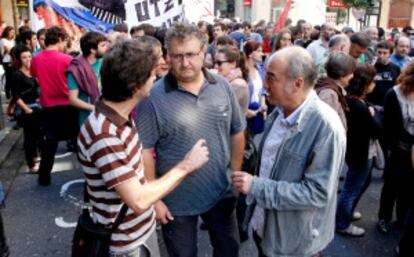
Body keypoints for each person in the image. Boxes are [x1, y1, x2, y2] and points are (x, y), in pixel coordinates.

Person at [77, 39, 209, 257]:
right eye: (151, 74)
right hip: (125, 244)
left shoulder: (118, 114)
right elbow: (138, 200)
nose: (155, 78)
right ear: (136, 86)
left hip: (137, 233)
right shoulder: (105, 133)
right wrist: (186, 166)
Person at [135, 23, 245, 257]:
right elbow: (144, 150)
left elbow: (237, 130)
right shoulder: (152, 97)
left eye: (191, 55)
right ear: (167, 57)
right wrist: (155, 200)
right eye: (177, 56)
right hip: (176, 201)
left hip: (221, 192)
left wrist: (234, 174)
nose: (185, 63)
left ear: (204, 52)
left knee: (229, 250)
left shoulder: (222, 85)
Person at [232, 46, 346, 257]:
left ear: (298, 84)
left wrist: (256, 186)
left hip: (293, 244)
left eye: (272, 78)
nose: (265, 85)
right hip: (265, 230)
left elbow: (317, 193)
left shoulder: (326, 127)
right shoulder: (279, 112)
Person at [335, 64, 382, 237]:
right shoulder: (360, 107)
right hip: (361, 153)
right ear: (364, 84)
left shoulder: (353, 100)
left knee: (356, 184)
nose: (374, 85)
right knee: (351, 188)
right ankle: (342, 222)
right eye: (372, 82)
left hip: (355, 151)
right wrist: (373, 115)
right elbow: (376, 130)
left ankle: (345, 213)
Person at [31, 26, 79, 186]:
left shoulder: (36, 59)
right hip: (69, 104)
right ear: (60, 38)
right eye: (65, 40)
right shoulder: (67, 59)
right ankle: (91, 174)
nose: (65, 44)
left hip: (48, 105)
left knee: (49, 143)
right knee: (79, 139)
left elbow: (35, 76)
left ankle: (44, 176)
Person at [377, 62, 414, 234]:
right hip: (398, 148)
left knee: (408, 187)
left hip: (413, 151)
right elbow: (390, 128)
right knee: (391, 186)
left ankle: (401, 218)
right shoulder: (394, 94)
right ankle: (384, 218)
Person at [10, 45, 41, 173]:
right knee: (29, 137)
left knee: (38, 134)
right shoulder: (17, 75)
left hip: (38, 106)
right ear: (19, 59)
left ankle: (35, 155)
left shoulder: (34, 72)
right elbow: (16, 96)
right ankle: (31, 165)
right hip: (26, 109)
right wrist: (27, 110)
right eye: (24, 57)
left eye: (29, 56)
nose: (28, 59)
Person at [67, 31, 108, 125]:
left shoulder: (105, 62)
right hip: (87, 118)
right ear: (92, 50)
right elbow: (72, 100)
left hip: (106, 114)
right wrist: (94, 108)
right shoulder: (76, 69)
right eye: (103, 45)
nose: (107, 48)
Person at [315, 52, 356, 130]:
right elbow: (324, 126)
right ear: (342, 75)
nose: (352, 76)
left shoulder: (329, 87)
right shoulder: (329, 94)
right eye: (351, 73)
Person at [215, 46, 248, 114]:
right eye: (215, 62)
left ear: (233, 64)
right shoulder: (226, 81)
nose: (215, 66)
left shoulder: (238, 84)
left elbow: (220, 109)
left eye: (219, 63)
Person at [244, 40, 267, 135]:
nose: (262, 54)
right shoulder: (242, 71)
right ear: (250, 54)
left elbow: (262, 91)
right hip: (244, 113)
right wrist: (245, 111)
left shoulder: (260, 70)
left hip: (256, 112)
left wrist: (263, 106)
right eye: (258, 51)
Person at [368, 41, 401, 106]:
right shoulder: (371, 67)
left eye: (385, 53)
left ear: (390, 54)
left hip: (390, 103)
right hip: (373, 103)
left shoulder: (396, 68)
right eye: (379, 52)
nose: (381, 55)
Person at [0, 26, 16, 99]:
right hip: (7, 61)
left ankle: (13, 93)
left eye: (13, 32)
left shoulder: (13, 41)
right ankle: (8, 95)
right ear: (7, 32)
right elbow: (9, 50)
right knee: (9, 78)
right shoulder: (3, 40)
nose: (13, 33)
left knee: (13, 78)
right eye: (11, 32)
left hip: (13, 61)